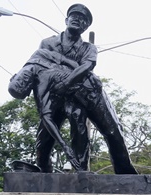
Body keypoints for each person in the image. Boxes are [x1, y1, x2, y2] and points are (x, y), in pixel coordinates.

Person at [30, 3, 137, 174]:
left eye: (83, 20)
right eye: (74, 17)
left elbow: (87, 66)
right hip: (56, 96)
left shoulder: (89, 48)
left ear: (86, 27)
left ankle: (124, 174)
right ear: (66, 20)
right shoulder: (48, 43)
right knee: (43, 140)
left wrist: (66, 81)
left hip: (86, 94)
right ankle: (43, 172)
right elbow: (41, 66)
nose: (78, 20)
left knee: (112, 130)